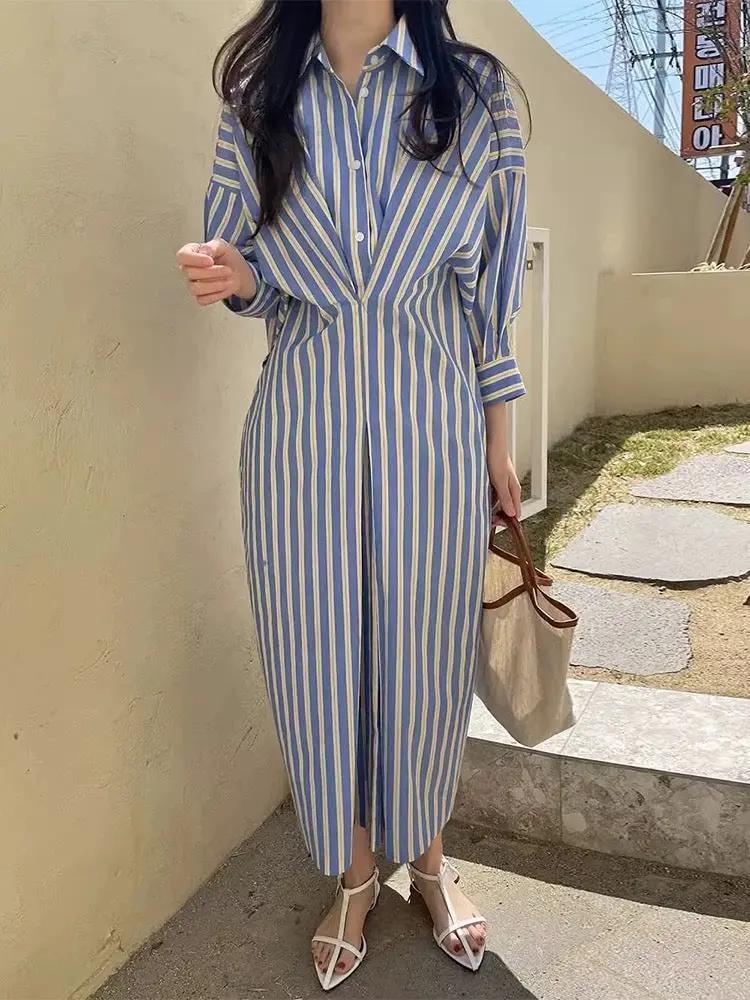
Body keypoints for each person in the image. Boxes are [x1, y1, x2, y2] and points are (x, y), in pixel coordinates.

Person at [177, 0, 528, 990]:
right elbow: (247, 267)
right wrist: (235, 273)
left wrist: (501, 443)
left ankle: (432, 864)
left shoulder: (476, 95)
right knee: (318, 662)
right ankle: (357, 875)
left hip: (435, 433)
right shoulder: (259, 95)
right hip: (302, 436)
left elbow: (493, 297)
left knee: (426, 655)